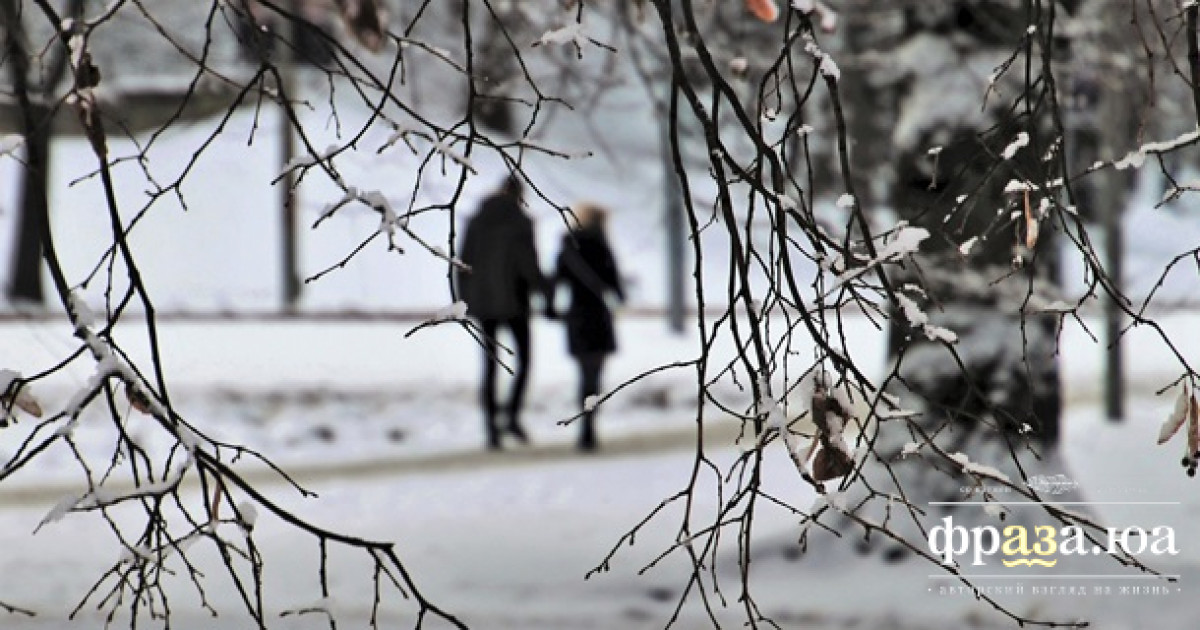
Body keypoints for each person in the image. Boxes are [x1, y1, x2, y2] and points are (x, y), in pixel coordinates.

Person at [457, 174, 547, 450]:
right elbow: (528, 263)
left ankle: (491, 427)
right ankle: (512, 416)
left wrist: (465, 300)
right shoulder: (521, 223)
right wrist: (544, 291)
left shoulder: (476, 221)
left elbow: (463, 263)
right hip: (516, 303)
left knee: (489, 367)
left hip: (484, 304)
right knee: (524, 361)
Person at [548, 203, 625, 451]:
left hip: (576, 316)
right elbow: (615, 283)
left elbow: (554, 281)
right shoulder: (602, 246)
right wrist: (619, 295)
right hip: (598, 316)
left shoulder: (568, 248)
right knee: (594, 374)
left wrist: (550, 309)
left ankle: (585, 425)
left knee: (584, 373)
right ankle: (589, 426)